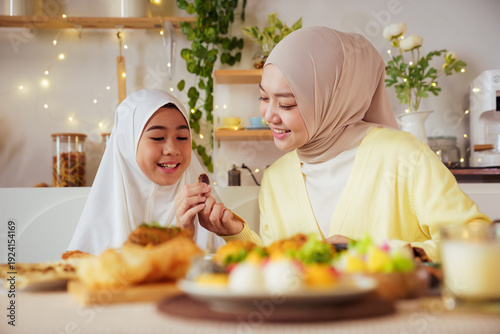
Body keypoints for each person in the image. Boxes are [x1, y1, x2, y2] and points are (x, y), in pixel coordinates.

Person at [198, 26, 491, 261]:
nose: (268, 115)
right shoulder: (276, 178)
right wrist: (236, 233)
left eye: (286, 104)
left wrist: (382, 255)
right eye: (263, 98)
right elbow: (280, 266)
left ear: (332, 100)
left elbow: (476, 237)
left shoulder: (404, 156)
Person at [67, 89, 223, 255]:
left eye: (182, 137)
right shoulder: (101, 217)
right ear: (128, 143)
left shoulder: (206, 213)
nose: (172, 149)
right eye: (157, 137)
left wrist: (189, 234)